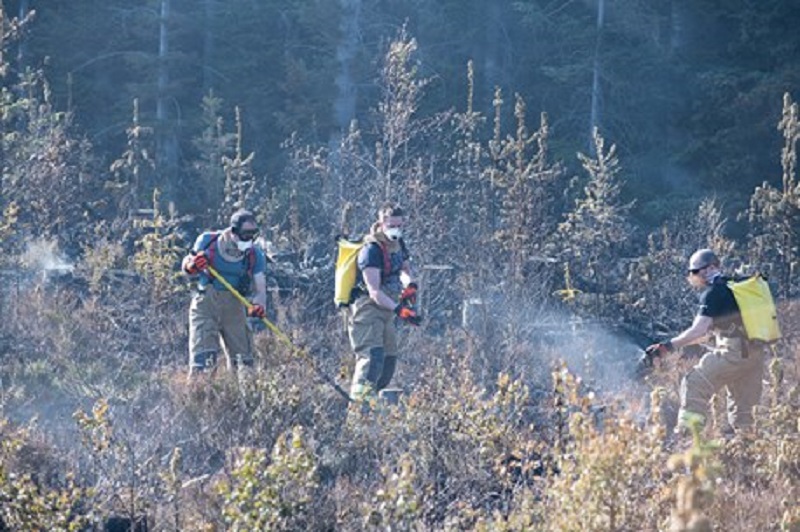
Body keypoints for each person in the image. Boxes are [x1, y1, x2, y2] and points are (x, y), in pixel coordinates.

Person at [645, 248, 770, 434]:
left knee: (694, 383)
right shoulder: (734, 286)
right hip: (755, 354)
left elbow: (699, 329)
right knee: (744, 412)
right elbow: (706, 335)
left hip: (734, 353)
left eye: (694, 271)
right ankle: (746, 451)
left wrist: (668, 347)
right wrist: (675, 346)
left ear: (710, 268)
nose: (692, 276)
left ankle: (687, 437)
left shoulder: (713, 293)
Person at [348, 203, 421, 403]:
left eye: (399, 225)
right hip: (368, 310)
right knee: (372, 358)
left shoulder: (399, 244)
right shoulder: (371, 249)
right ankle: (357, 412)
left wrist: (410, 286)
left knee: (388, 362)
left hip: (388, 310)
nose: (396, 230)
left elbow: (405, 269)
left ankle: (371, 404)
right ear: (381, 224)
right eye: (392, 225)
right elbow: (374, 291)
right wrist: (400, 310)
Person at [181, 209, 268, 375]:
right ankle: (200, 397)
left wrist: (258, 305)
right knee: (203, 360)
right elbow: (186, 264)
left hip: (234, 306)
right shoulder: (208, 241)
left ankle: (243, 399)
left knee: (245, 362)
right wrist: (192, 266)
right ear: (233, 231)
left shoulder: (255, 254)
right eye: (245, 234)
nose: (249, 239)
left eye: (253, 234)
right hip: (206, 304)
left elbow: (260, 288)